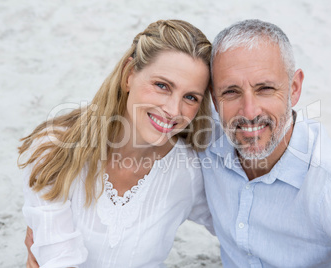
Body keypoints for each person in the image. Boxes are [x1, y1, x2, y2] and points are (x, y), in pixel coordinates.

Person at [19, 19, 214, 268]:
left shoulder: (190, 170)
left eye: (190, 97)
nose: (173, 110)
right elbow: (58, 260)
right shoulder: (54, 149)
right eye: (162, 85)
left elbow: (240, 230)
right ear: (129, 74)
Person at [200, 19, 331, 267]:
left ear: (294, 88)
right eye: (231, 92)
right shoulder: (204, 137)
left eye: (265, 88)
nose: (250, 111)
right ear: (214, 97)